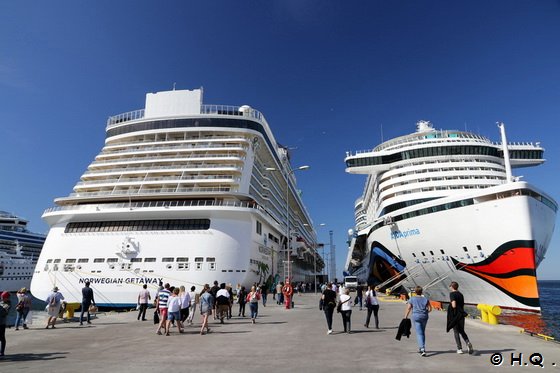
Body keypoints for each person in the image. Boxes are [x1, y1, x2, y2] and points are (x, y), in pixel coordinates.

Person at [404, 286, 432, 356]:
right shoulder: (425, 299)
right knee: (422, 332)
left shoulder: (412, 299)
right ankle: (421, 347)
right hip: (424, 316)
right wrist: (425, 312)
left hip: (416, 317)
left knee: (419, 333)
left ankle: (422, 349)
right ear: (421, 291)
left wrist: (405, 317)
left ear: (415, 292)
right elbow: (430, 309)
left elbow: (409, 308)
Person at [447, 281, 473, 354]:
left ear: (452, 287)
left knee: (456, 332)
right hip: (461, 315)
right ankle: (467, 342)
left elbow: (454, 305)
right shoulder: (461, 294)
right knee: (461, 330)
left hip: (455, 315)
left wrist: (451, 305)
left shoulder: (452, 294)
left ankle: (459, 349)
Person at [0, 291, 11, 357]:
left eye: (3, 297)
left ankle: (2, 352)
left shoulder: (8, 304)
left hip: (2, 323)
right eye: (2, 297)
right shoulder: (1, 302)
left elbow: (4, 312)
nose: (2, 298)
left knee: (2, 337)